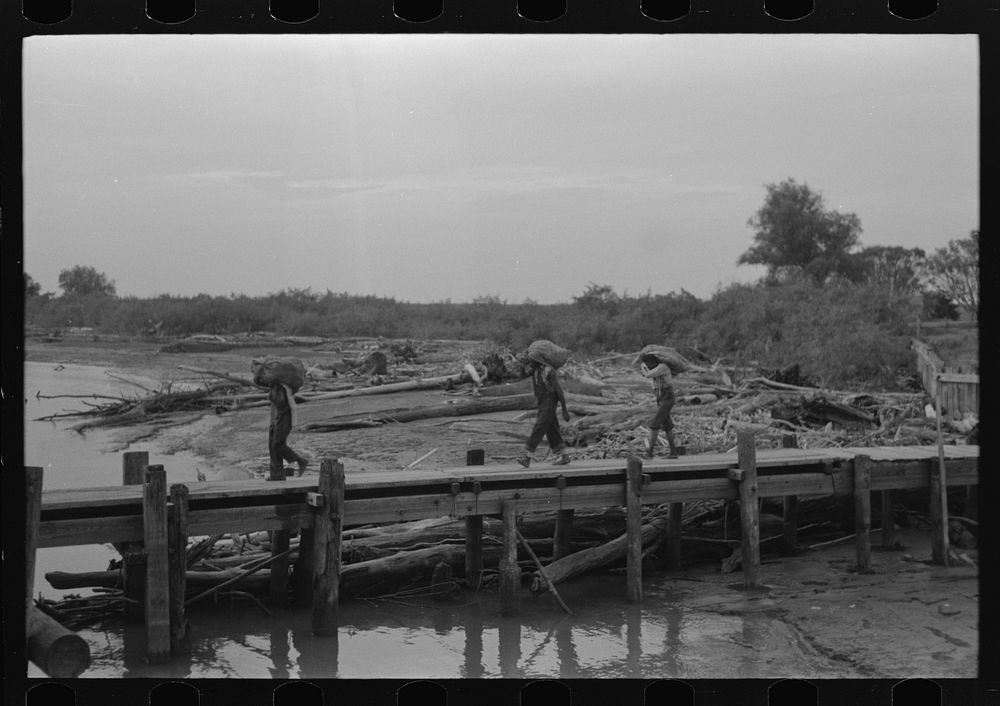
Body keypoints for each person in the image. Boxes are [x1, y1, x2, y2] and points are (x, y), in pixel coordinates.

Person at [516, 356, 571, 468]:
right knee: (551, 429)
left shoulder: (549, 371)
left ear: (538, 360)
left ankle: (527, 456)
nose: (530, 362)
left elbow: (559, 390)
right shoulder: (535, 370)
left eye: (531, 360)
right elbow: (522, 376)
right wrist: (521, 365)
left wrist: (564, 410)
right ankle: (563, 455)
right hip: (542, 402)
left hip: (550, 402)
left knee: (539, 427)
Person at [639, 352, 680, 459]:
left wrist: (643, 366)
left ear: (653, 362)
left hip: (667, 398)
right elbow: (646, 374)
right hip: (661, 399)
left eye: (648, 364)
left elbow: (648, 374)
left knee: (655, 423)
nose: (647, 366)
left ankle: (649, 453)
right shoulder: (656, 369)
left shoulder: (663, 367)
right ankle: (673, 452)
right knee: (667, 426)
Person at [267, 382, 309, 478]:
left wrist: (272, 391)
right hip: (275, 418)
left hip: (284, 417)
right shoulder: (277, 385)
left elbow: (280, 402)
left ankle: (301, 461)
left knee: (278, 444)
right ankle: (277, 475)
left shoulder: (281, 387)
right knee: (272, 446)